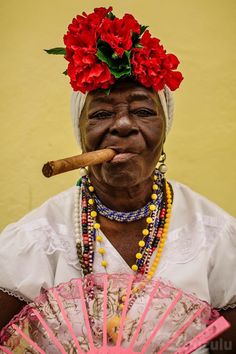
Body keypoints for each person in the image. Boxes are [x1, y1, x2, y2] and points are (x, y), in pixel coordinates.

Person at [0, 6, 235, 353]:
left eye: (142, 111)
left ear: (164, 129)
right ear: (80, 133)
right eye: (101, 114)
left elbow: (226, 344)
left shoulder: (216, 236)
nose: (123, 125)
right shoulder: (36, 240)